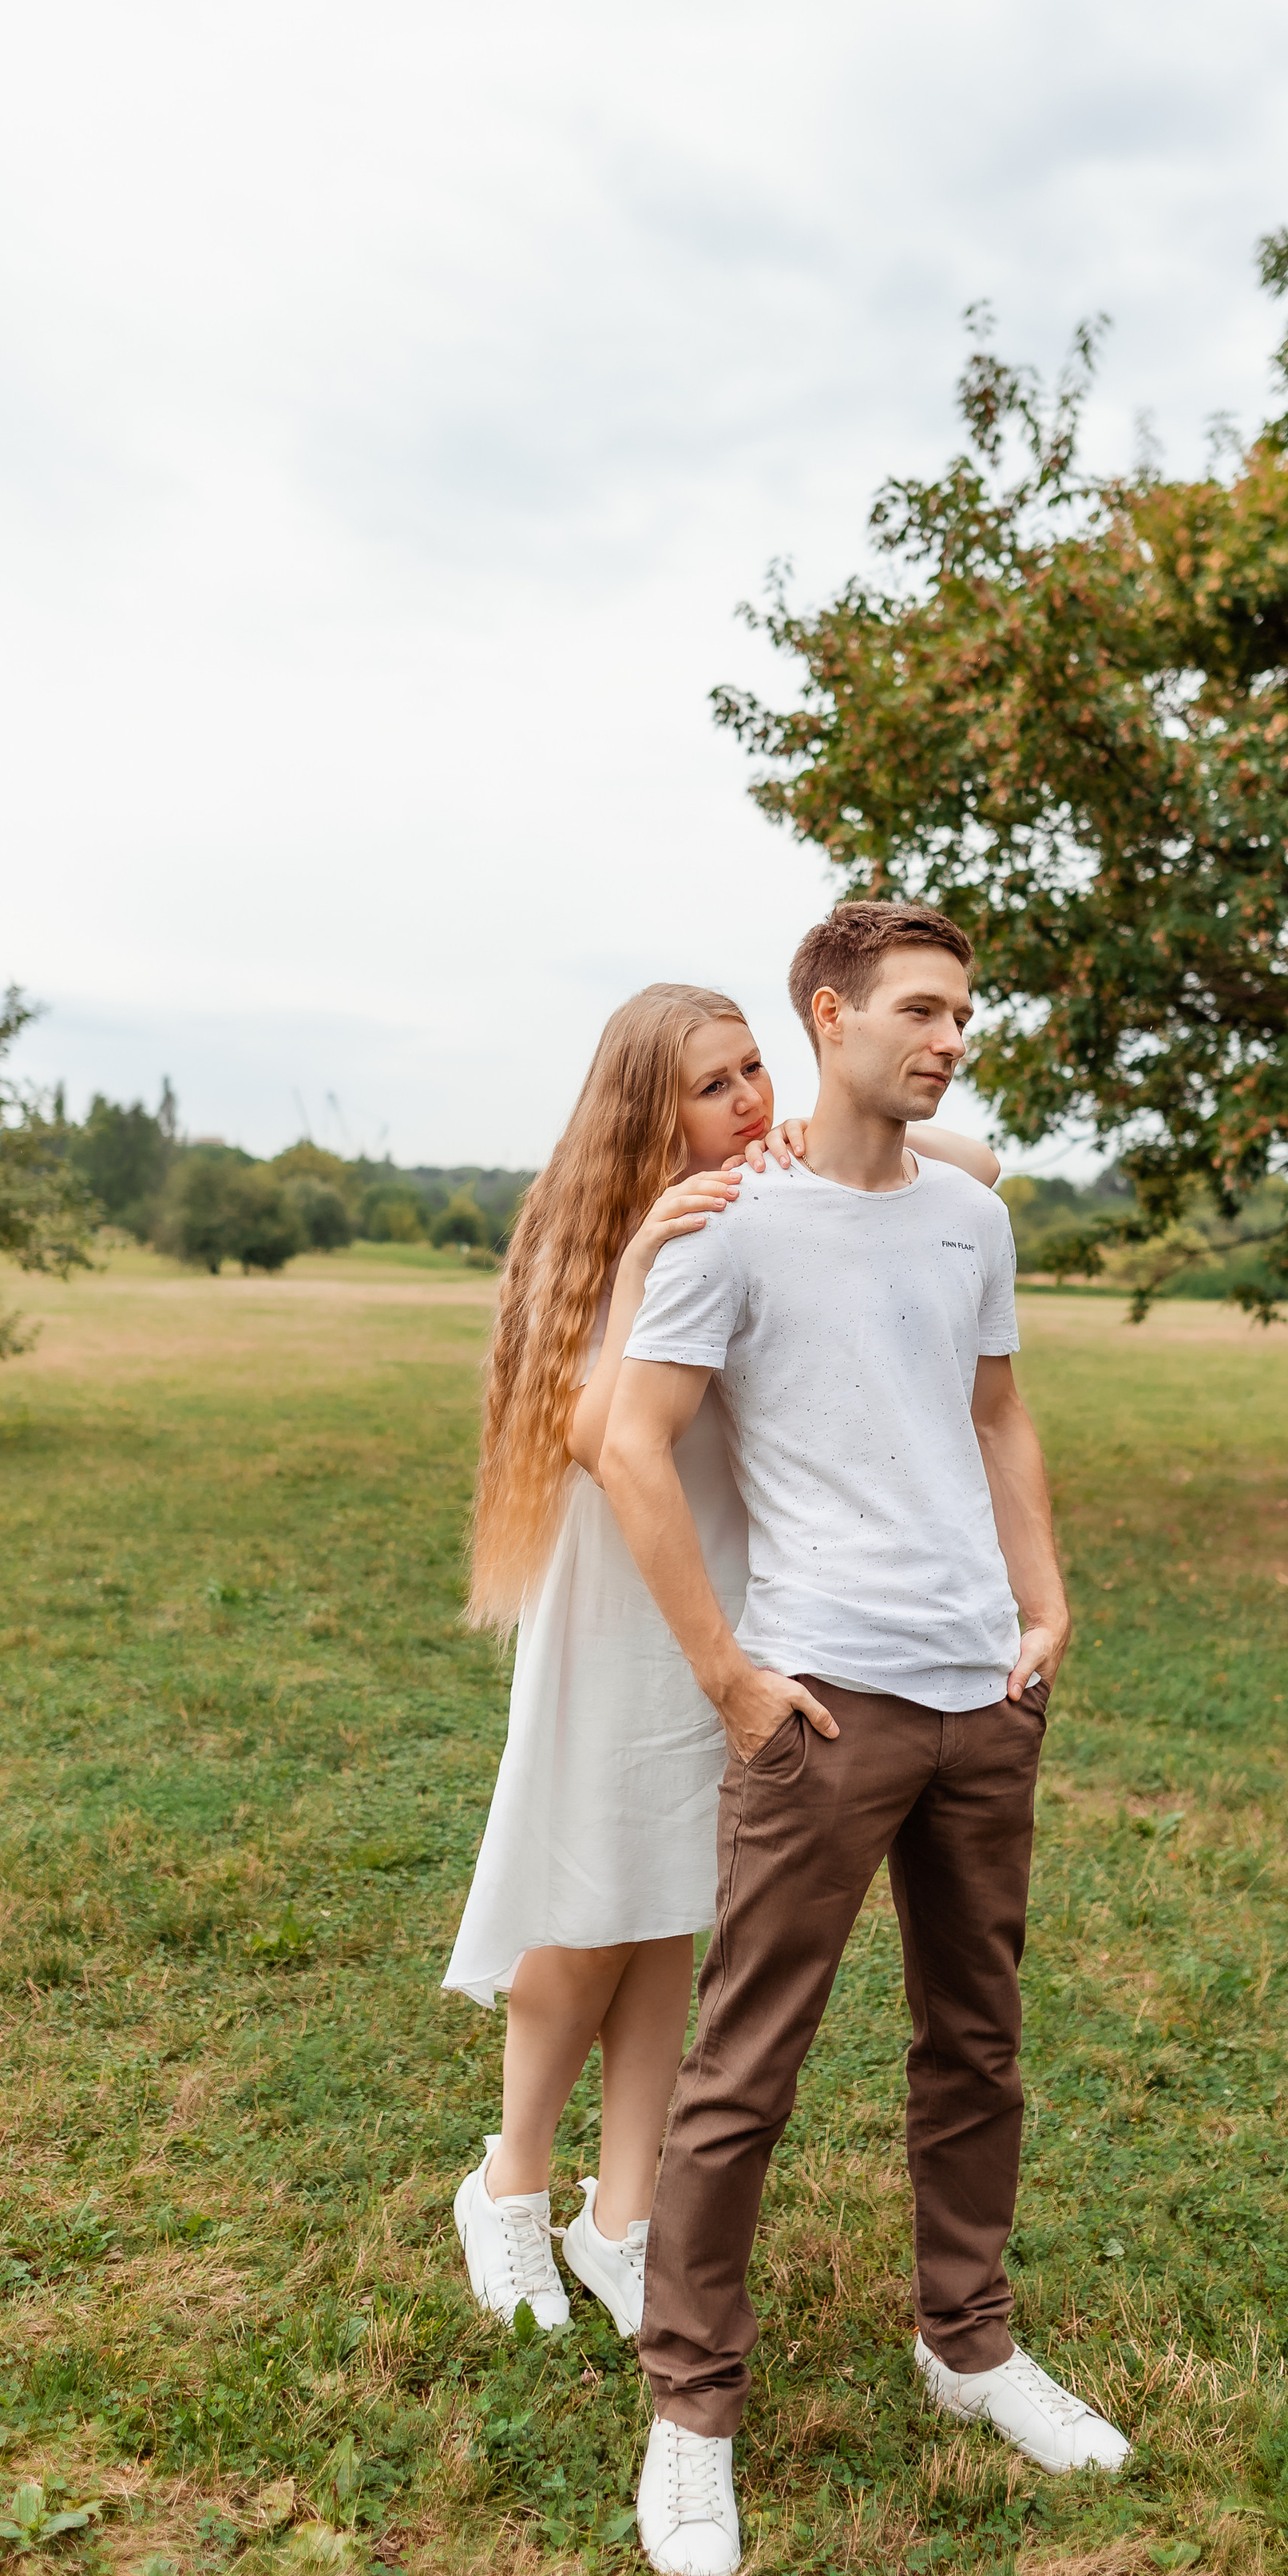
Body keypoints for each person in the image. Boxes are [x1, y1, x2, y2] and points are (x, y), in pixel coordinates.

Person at [599, 899, 1129, 2576]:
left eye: (960, 1011)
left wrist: (1039, 1605)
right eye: (915, 1007)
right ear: (822, 1015)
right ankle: (689, 2421)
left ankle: (964, 2347)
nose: (946, 1035)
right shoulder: (731, 1228)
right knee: (743, 2067)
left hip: (981, 1692)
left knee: (972, 2043)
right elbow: (628, 1443)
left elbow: (993, 1410)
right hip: (822, 1701)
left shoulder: (970, 1221)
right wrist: (732, 1681)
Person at [444, 979, 998, 2344]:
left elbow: (979, 1167)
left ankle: (620, 2218)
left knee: (668, 1914)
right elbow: (591, 1438)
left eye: (755, 1069)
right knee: (584, 1913)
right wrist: (638, 1262)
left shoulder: (770, 1193)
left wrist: (836, 1136)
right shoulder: (602, 1235)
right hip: (621, 1609)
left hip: (740, 1603)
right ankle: (508, 2183)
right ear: (647, 1110)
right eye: (714, 1084)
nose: (749, 1100)